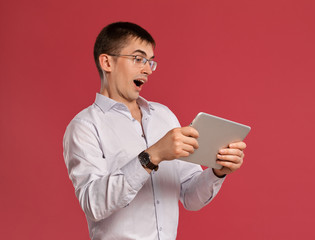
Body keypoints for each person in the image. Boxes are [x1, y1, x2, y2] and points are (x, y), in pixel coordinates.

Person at [63, 21, 247, 240]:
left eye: (150, 61)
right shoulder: (84, 126)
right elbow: (94, 204)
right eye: (138, 59)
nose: (147, 69)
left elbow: (190, 196)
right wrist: (153, 156)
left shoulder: (164, 116)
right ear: (107, 62)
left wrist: (218, 171)